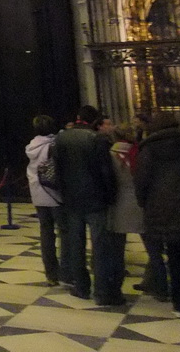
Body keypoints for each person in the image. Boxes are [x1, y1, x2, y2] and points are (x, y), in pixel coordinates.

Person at [52, 104, 118, 306]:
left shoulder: (61, 138)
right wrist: (110, 195)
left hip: (72, 199)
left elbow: (57, 169)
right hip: (95, 199)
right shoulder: (96, 139)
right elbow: (105, 172)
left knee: (75, 245)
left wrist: (62, 193)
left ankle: (81, 287)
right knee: (100, 247)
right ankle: (102, 291)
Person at [134, 112, 180, 318]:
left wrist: (144, 203)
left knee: (175, 256)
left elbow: (142, 181)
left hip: (163, 208)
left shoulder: (149, 149)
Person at [25, 114, 70, 286]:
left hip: (38, 193)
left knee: (46, 233)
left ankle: (51, 272)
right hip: (53, 193)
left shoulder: (30, 146)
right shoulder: (54, 145)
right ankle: (65, 271)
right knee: (64, 232)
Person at [105, 122, 145, 305]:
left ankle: (114, 290)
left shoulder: (110, 154)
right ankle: (159, 283)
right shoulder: (140, 152)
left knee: (116, 250)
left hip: (119, 202)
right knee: (153, 247)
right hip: (140, 200)